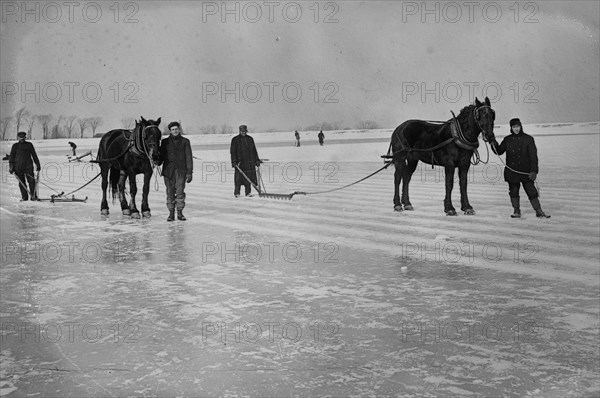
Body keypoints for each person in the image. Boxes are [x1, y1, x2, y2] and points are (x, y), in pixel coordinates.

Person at [491, 118, 550, 218]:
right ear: (511, 128)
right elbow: (499, 151)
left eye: (518, 126)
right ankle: (516, 211)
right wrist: (492, 142)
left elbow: (533, 157)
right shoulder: (507, 139)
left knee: (531, 191)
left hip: (526, 172)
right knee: (513, 192)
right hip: (512, 172)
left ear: (521, 126)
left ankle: (539, 211)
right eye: (514, 127)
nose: (516, 129)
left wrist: (534, 171)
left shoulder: (528, 139)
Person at [159, 121, 193, 221]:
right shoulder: (165, 142)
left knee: (180, 192)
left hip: (181, 171)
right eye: (173, 129)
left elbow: (189, 157)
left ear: (179, 130)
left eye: (176, 129)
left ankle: (180, 213)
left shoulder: (185, 141)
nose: (175, 131)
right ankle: (171, 213)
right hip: (168, 172)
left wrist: (189, 171)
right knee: (169, 192)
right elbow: (161, 158)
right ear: (170, 131)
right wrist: (156, 160)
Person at [230, 125, 261, 197]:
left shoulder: (250, 139)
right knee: (238, 179)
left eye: (244, 131)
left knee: (248, 178)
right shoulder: (235, 140)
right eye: (242, 131)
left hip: (249, 162)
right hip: (239, 163)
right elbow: (233, 152)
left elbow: (254, 151)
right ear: (239, 131)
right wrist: (234, 162)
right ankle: (237, 193)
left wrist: (257, 160)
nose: (243, 132)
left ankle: (248, 192)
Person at [9, 131, 40, 201]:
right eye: (20, 137)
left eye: (23, 137)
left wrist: (38, 164)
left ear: (25, 137)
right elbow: (11, 157)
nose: (22, 138)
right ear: (18, 137)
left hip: (28, 166)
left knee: (32, 181)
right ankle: (24, 197)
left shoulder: (29, 145)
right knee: (22, 183)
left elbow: (34, 155)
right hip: (18, 167)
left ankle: (33, 196)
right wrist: (11, 167)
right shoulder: (15, 146)